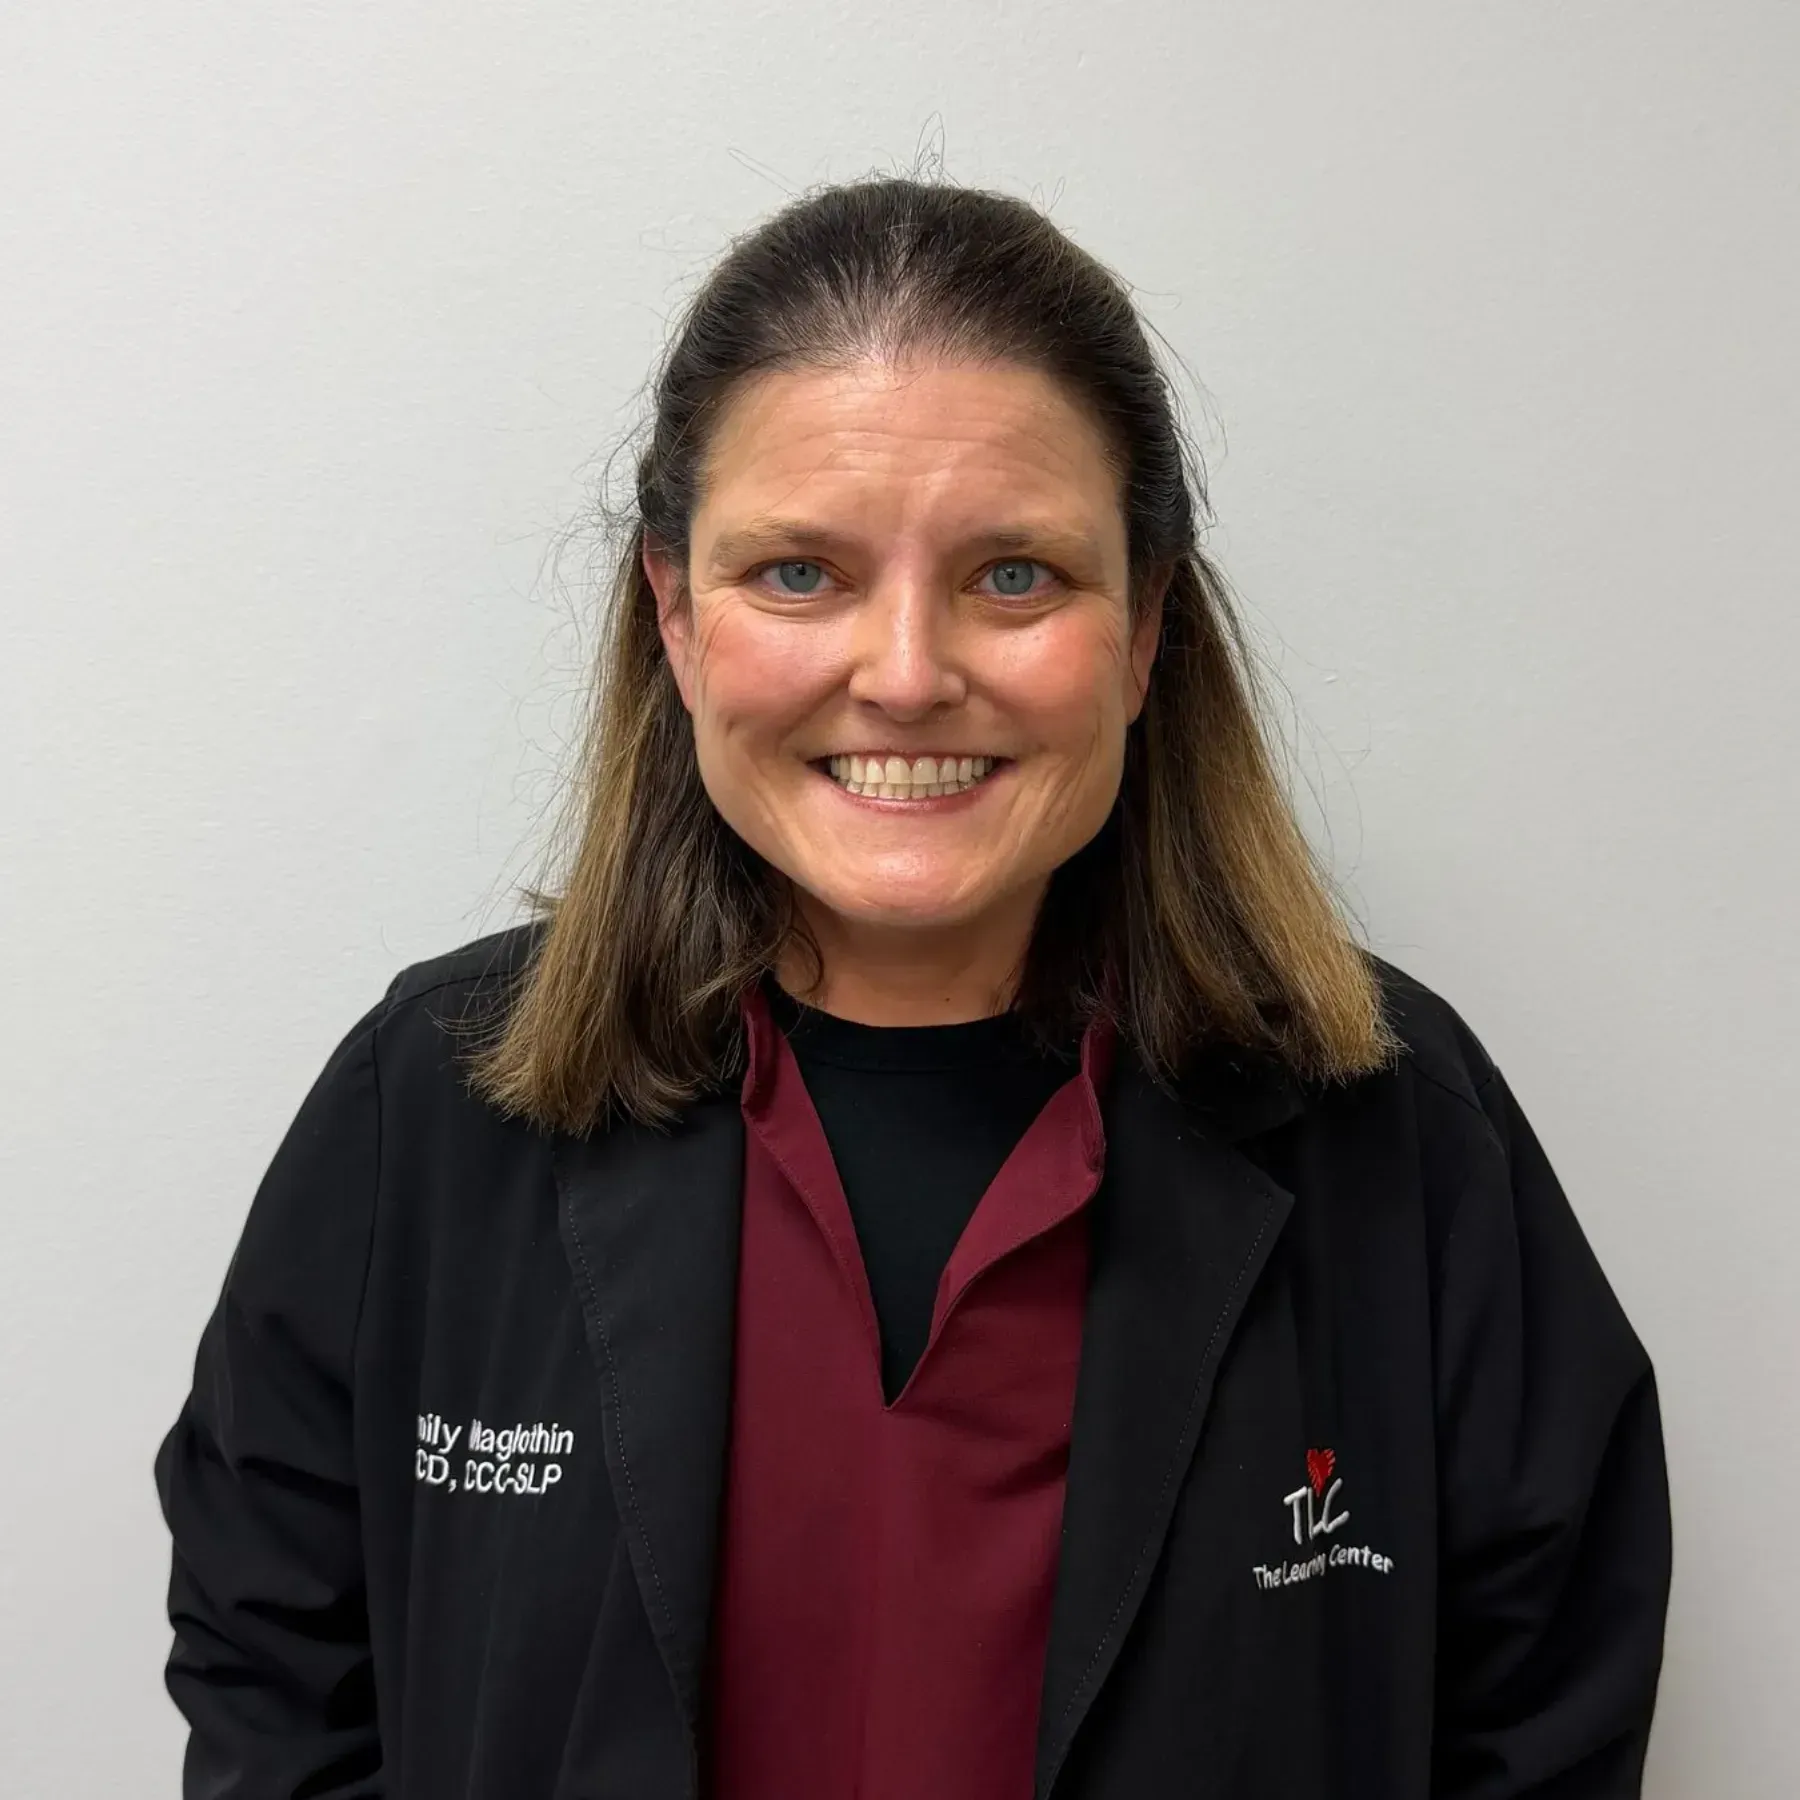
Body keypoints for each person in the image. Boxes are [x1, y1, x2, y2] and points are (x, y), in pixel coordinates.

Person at [154, 176, 1671, 1799]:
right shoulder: (429, 1116)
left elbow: (1548, 1710)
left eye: (1014, 575)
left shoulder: (1398, 1135)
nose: (902, 672)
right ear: (673, 612)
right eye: (798, 574)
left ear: (1149, 625)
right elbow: (274, 1687)